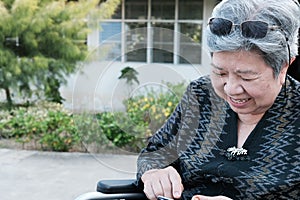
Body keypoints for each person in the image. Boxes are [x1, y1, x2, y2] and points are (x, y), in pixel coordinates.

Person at [136, 0, 300, 199]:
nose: (231, 88)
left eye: (246, 77)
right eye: (219, 72)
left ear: (284, 67)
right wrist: (154, 172)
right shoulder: (201, 95)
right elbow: (156, 151)